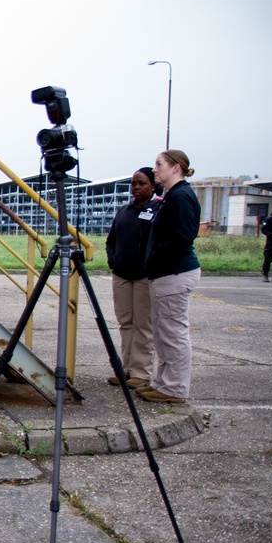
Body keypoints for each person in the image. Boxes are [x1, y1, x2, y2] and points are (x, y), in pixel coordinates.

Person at [136, 150, 201, 404]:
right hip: (164, 273)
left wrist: (155, 256)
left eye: (159, 164)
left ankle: (175, 388)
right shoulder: (171, 195)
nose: (155, 169)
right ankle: (162, 382)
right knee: (162, 331)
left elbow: (184, 235)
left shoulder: (182, 195)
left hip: (174, 271)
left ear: (176, 168)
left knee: (173, 332)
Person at [105, 167, 159, 389]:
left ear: (153, 186)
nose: (136, 187)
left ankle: (141, 372)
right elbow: (112, 240)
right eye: (133, 183)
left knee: (143, 325)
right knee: (125, 323)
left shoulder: (158, 210)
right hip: (122, 275)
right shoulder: (124, 211)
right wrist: (113, 261)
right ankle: (125, 370)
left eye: (142, 183)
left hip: (144, 276)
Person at [261, 208, 272, 282]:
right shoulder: (269, 219)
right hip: (271, 243)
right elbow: (264, 230)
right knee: (268, 260)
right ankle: (265, 275)